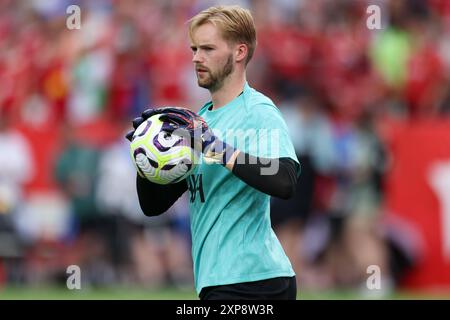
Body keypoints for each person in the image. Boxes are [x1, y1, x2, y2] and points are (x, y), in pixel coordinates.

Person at [126, 5, 301, 300]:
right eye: (194, 48)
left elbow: (284, 181)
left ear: (239, 52)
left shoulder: (258, 111)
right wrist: (149, 153)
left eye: (207, 48)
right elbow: (153, 206)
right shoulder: (200, 122)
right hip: (217, 281)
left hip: (255, 281)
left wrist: (215, 147)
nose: (196, 57)